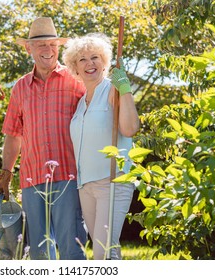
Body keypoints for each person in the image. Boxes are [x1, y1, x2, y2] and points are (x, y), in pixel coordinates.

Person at [0, 17, 87, 260]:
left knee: (71, 247)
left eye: (53, 44)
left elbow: (96, 116)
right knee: (39, 253)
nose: (48, 50)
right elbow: (14, 134)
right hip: (32, 178)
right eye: (41, 45)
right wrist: (6, 172)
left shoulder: (76, 81)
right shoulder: (21, 87)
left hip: (68, 176)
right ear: (29, 48)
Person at [62, 33, 140, 260]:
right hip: (86, 185)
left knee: (102, 252)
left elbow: (130, 128)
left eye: (95, 57)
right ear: (75, 66)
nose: (90, 63)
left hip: (112, 180)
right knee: (106, 250)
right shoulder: (81, 102)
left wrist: (124, 89)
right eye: (83, 59)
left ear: (104, 62)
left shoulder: (111, 90)